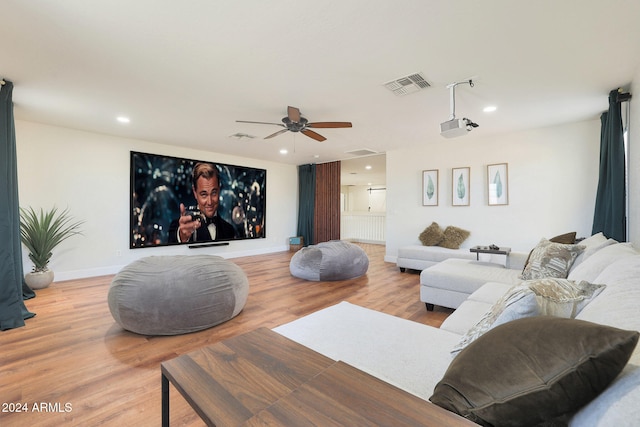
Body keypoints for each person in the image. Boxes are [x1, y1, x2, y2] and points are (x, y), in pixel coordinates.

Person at [168, 162, 236, 243]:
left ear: (219, 189)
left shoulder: (229, 230)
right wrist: (182, 237)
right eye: (204, 194)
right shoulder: (178, 227)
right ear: (195, 192)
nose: (210, 202)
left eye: (214, 193)